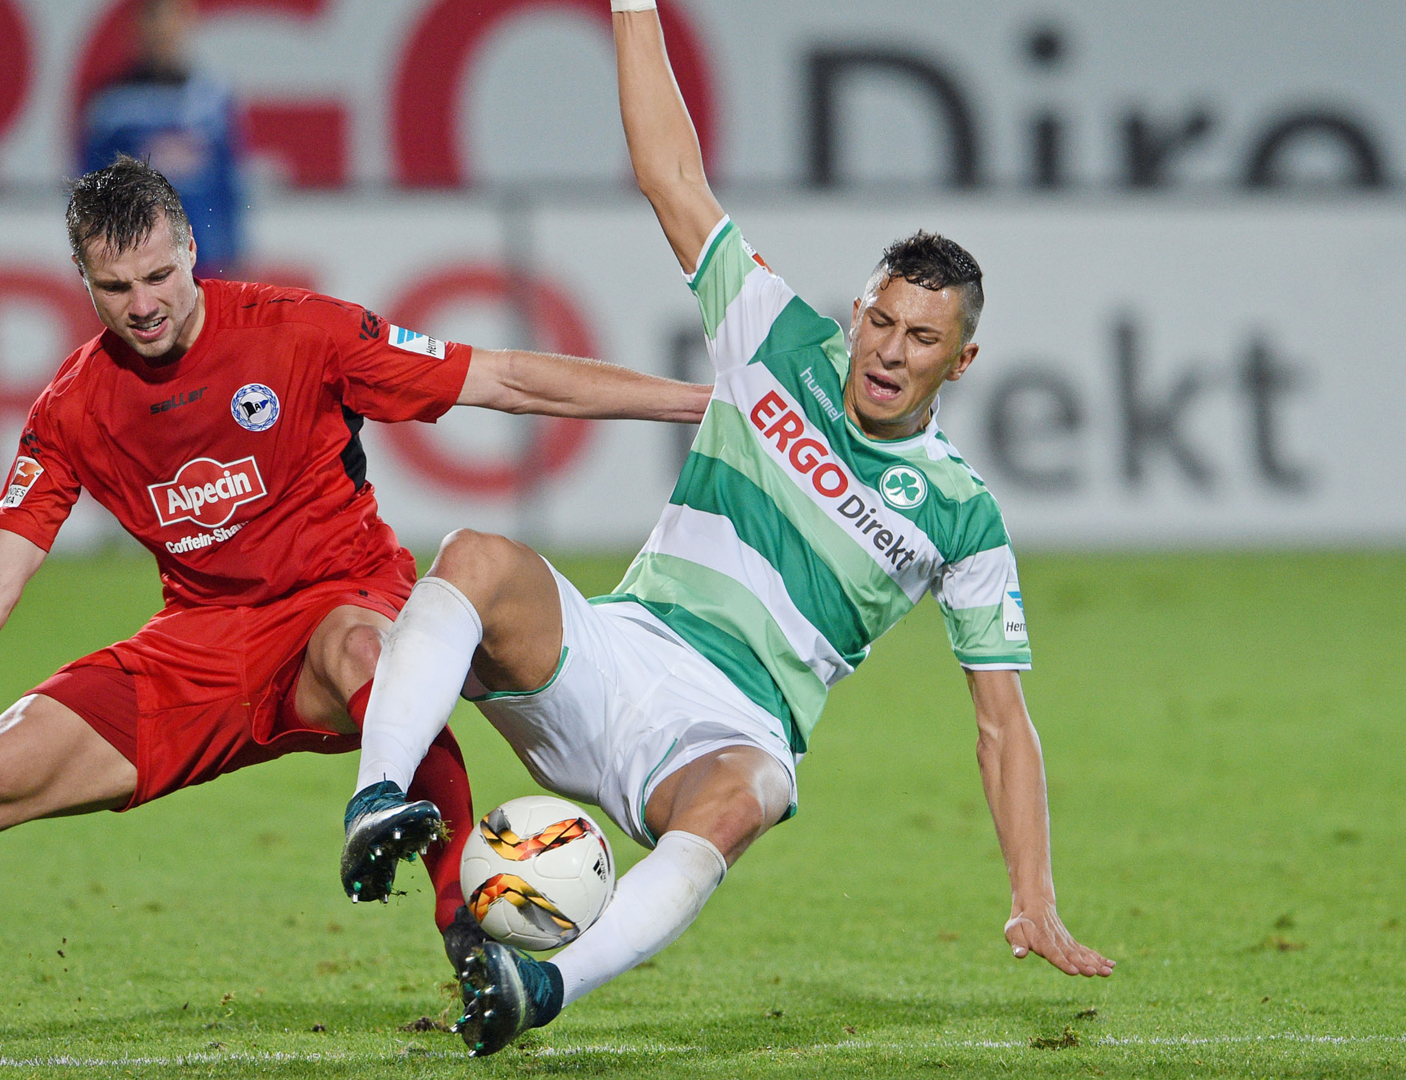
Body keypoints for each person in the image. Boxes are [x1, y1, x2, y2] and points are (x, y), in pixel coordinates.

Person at [0, 155, 710, 1058]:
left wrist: (700, 406)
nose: (144, 302)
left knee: (366, 647)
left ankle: (463, 934)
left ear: (192, 249)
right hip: (197, 649)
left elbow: (507, 379)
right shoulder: (73, 406)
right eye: (116, 287)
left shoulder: (302, 332)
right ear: (84, 282)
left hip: (340, 607)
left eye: (159, 273)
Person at [336, 0, 1114, 1057]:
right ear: (857, 314)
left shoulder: (965, 516)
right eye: (879, 320)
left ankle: (538, 987)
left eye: (921, 337)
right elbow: (672, 178)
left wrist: (1033, 894)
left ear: (959, 363)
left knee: (755, 791)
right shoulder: (770, 335)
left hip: (724, 731)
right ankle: (378, 798)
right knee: (476, 558)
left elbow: (1000, 722)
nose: (887, 351)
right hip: (613, 654)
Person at [81, 0, 242, 278]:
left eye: (171, 21)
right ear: (136, 29)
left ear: (186, 24)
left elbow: (229, 183)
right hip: (136, 263)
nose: (162, 32)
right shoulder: (111, 105)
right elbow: (88, 189)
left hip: (204, 260)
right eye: (154, 22)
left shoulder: (211, 99)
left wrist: (233, 250)